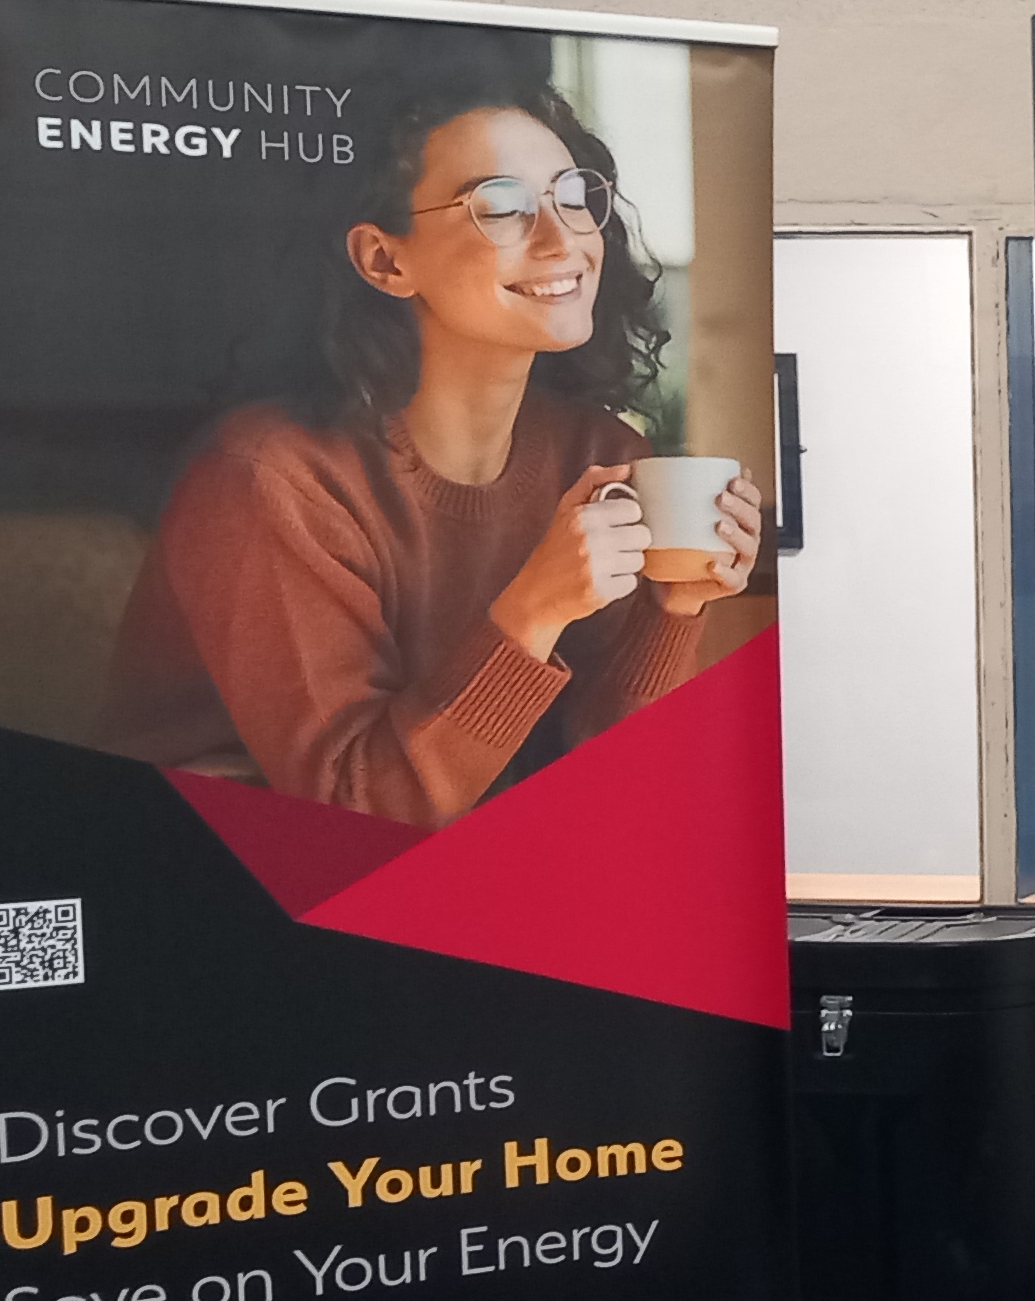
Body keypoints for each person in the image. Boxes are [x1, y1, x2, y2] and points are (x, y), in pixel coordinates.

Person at [102, 77, 762, 829]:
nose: (563, 239)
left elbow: (613, 782)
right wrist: (531, 611)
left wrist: (673, 610)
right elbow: (355, 809)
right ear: (385, 261)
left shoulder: (599, 453)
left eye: (574, 193)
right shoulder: (271, 478)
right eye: (503, 206)